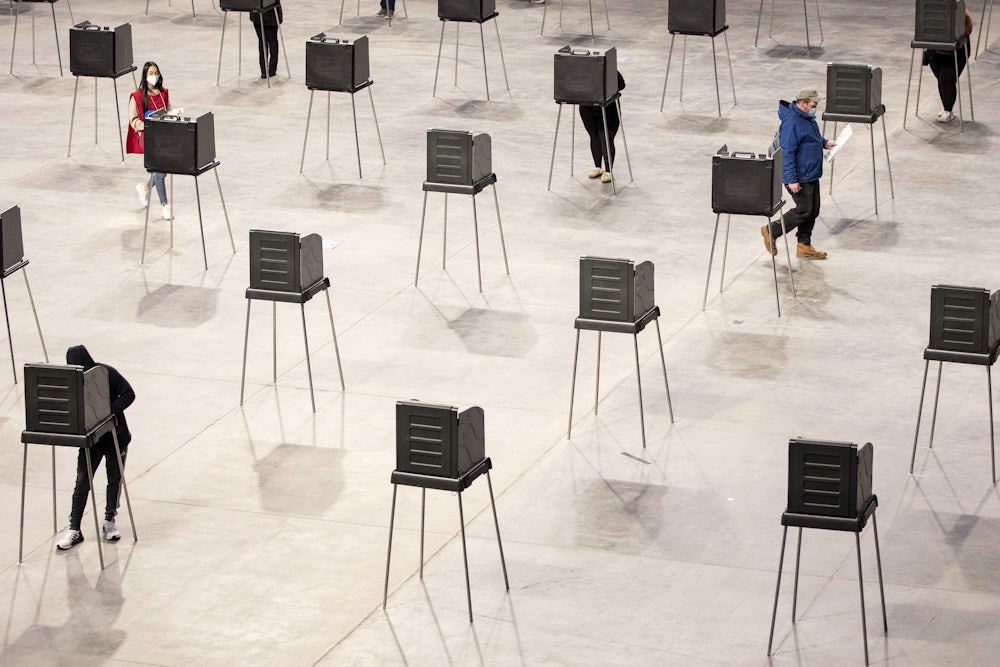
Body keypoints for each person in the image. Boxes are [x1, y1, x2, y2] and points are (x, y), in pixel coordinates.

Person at [56, 346, 136, 551]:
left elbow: (129, 394)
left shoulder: (107, 373)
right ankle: (74, 528)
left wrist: (109, 413)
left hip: (116, 438)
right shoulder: (73, 382)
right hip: (91, 441)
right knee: (82, 483)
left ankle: (110, 520)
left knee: (114, 480)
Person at [762, 88, 836, 260]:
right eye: (813, 105)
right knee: (804, 210)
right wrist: (792, 180)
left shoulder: (807, 119)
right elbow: (787, 153)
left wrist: (825, 143)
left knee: (813, 210)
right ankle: (771, 230)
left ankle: (804, 245)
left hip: (811, 173)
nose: (815, 109)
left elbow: (810, 138)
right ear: (802, 103)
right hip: (799, 176)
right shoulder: (792, 122)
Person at [126, 61, 172, 221]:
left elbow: (169, 111)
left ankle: (144, 188)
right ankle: (165, 206)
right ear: (145, 76)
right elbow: (134, 120)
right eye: (151, 73)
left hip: (164, 138)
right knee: (159, 173)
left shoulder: (163, 93)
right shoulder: (137, 97)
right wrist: (147, 126)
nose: (154, 76)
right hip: (149, 140)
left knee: (162, 172)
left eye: (156, 73)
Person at [925, 9, 973, 123]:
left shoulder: (962, 12)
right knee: (941, 79)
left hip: (956, 52)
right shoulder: (932, 9)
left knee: (946, 80)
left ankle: (948, 109)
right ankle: (946, 107)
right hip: (935, 51)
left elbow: (968, 29)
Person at [579, 71, 626, 184]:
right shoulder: (581, 70)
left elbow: (621, 84)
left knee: (606, 138)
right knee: (594, 137)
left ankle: (608, 170)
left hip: (608, 108)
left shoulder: (609, 69)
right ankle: (597, 167)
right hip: (587, 108)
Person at [251, 0, 283, 78]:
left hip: (258, 12)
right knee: (271, 41)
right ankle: (271, 70)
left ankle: (264, 70)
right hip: (269, 13)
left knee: (263, 41)